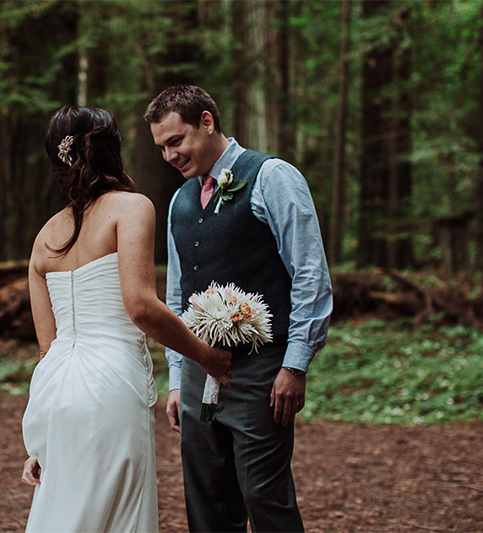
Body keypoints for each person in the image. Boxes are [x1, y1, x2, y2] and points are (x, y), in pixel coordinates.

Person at [20, 105, 232, 532]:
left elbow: (48, 348)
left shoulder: (44, 236)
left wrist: (41, 440)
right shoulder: (131, 208)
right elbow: (140, 306)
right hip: (111, 384)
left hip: (57, 390)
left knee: (65, 509)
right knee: (118, 515)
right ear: (110, 149)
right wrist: (205, 355)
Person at [144, 85, 332, 533]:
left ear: (207, 122)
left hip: (262, 372)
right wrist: (177, 379)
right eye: (161, 147)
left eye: (177, 141)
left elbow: (310, 274)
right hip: (197, 376)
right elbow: (177, 295)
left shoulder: (273, 176)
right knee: (207, 498)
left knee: (266, 498)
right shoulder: (179, 201)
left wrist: (295, 365)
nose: (170, 155)